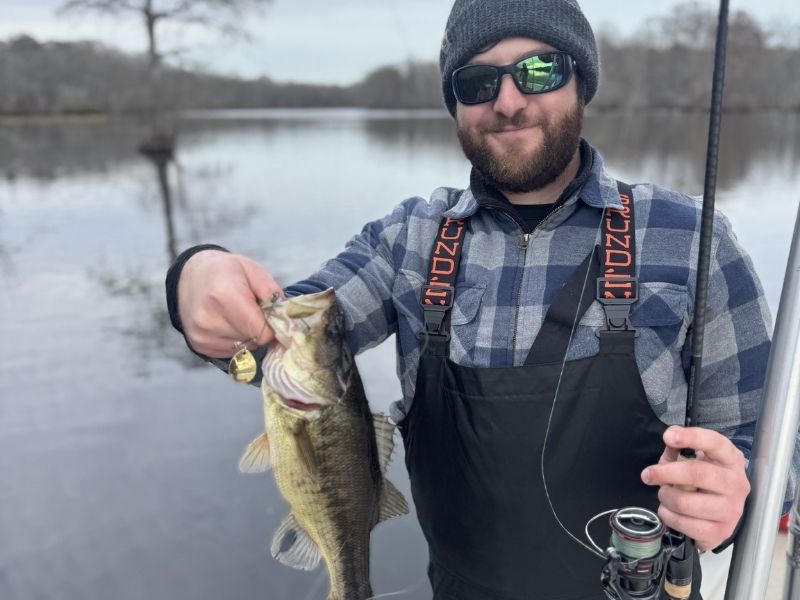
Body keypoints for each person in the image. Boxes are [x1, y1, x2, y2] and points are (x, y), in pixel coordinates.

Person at [166, 0, 799, 598]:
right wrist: (197, 278)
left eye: (538, 70)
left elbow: (771, 455)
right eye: (477, 82)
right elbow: (278, 335)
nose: (508, 101)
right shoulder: (408, 239)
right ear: (455, 105)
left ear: (581, 81)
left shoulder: (690, 236)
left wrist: (735, 497)